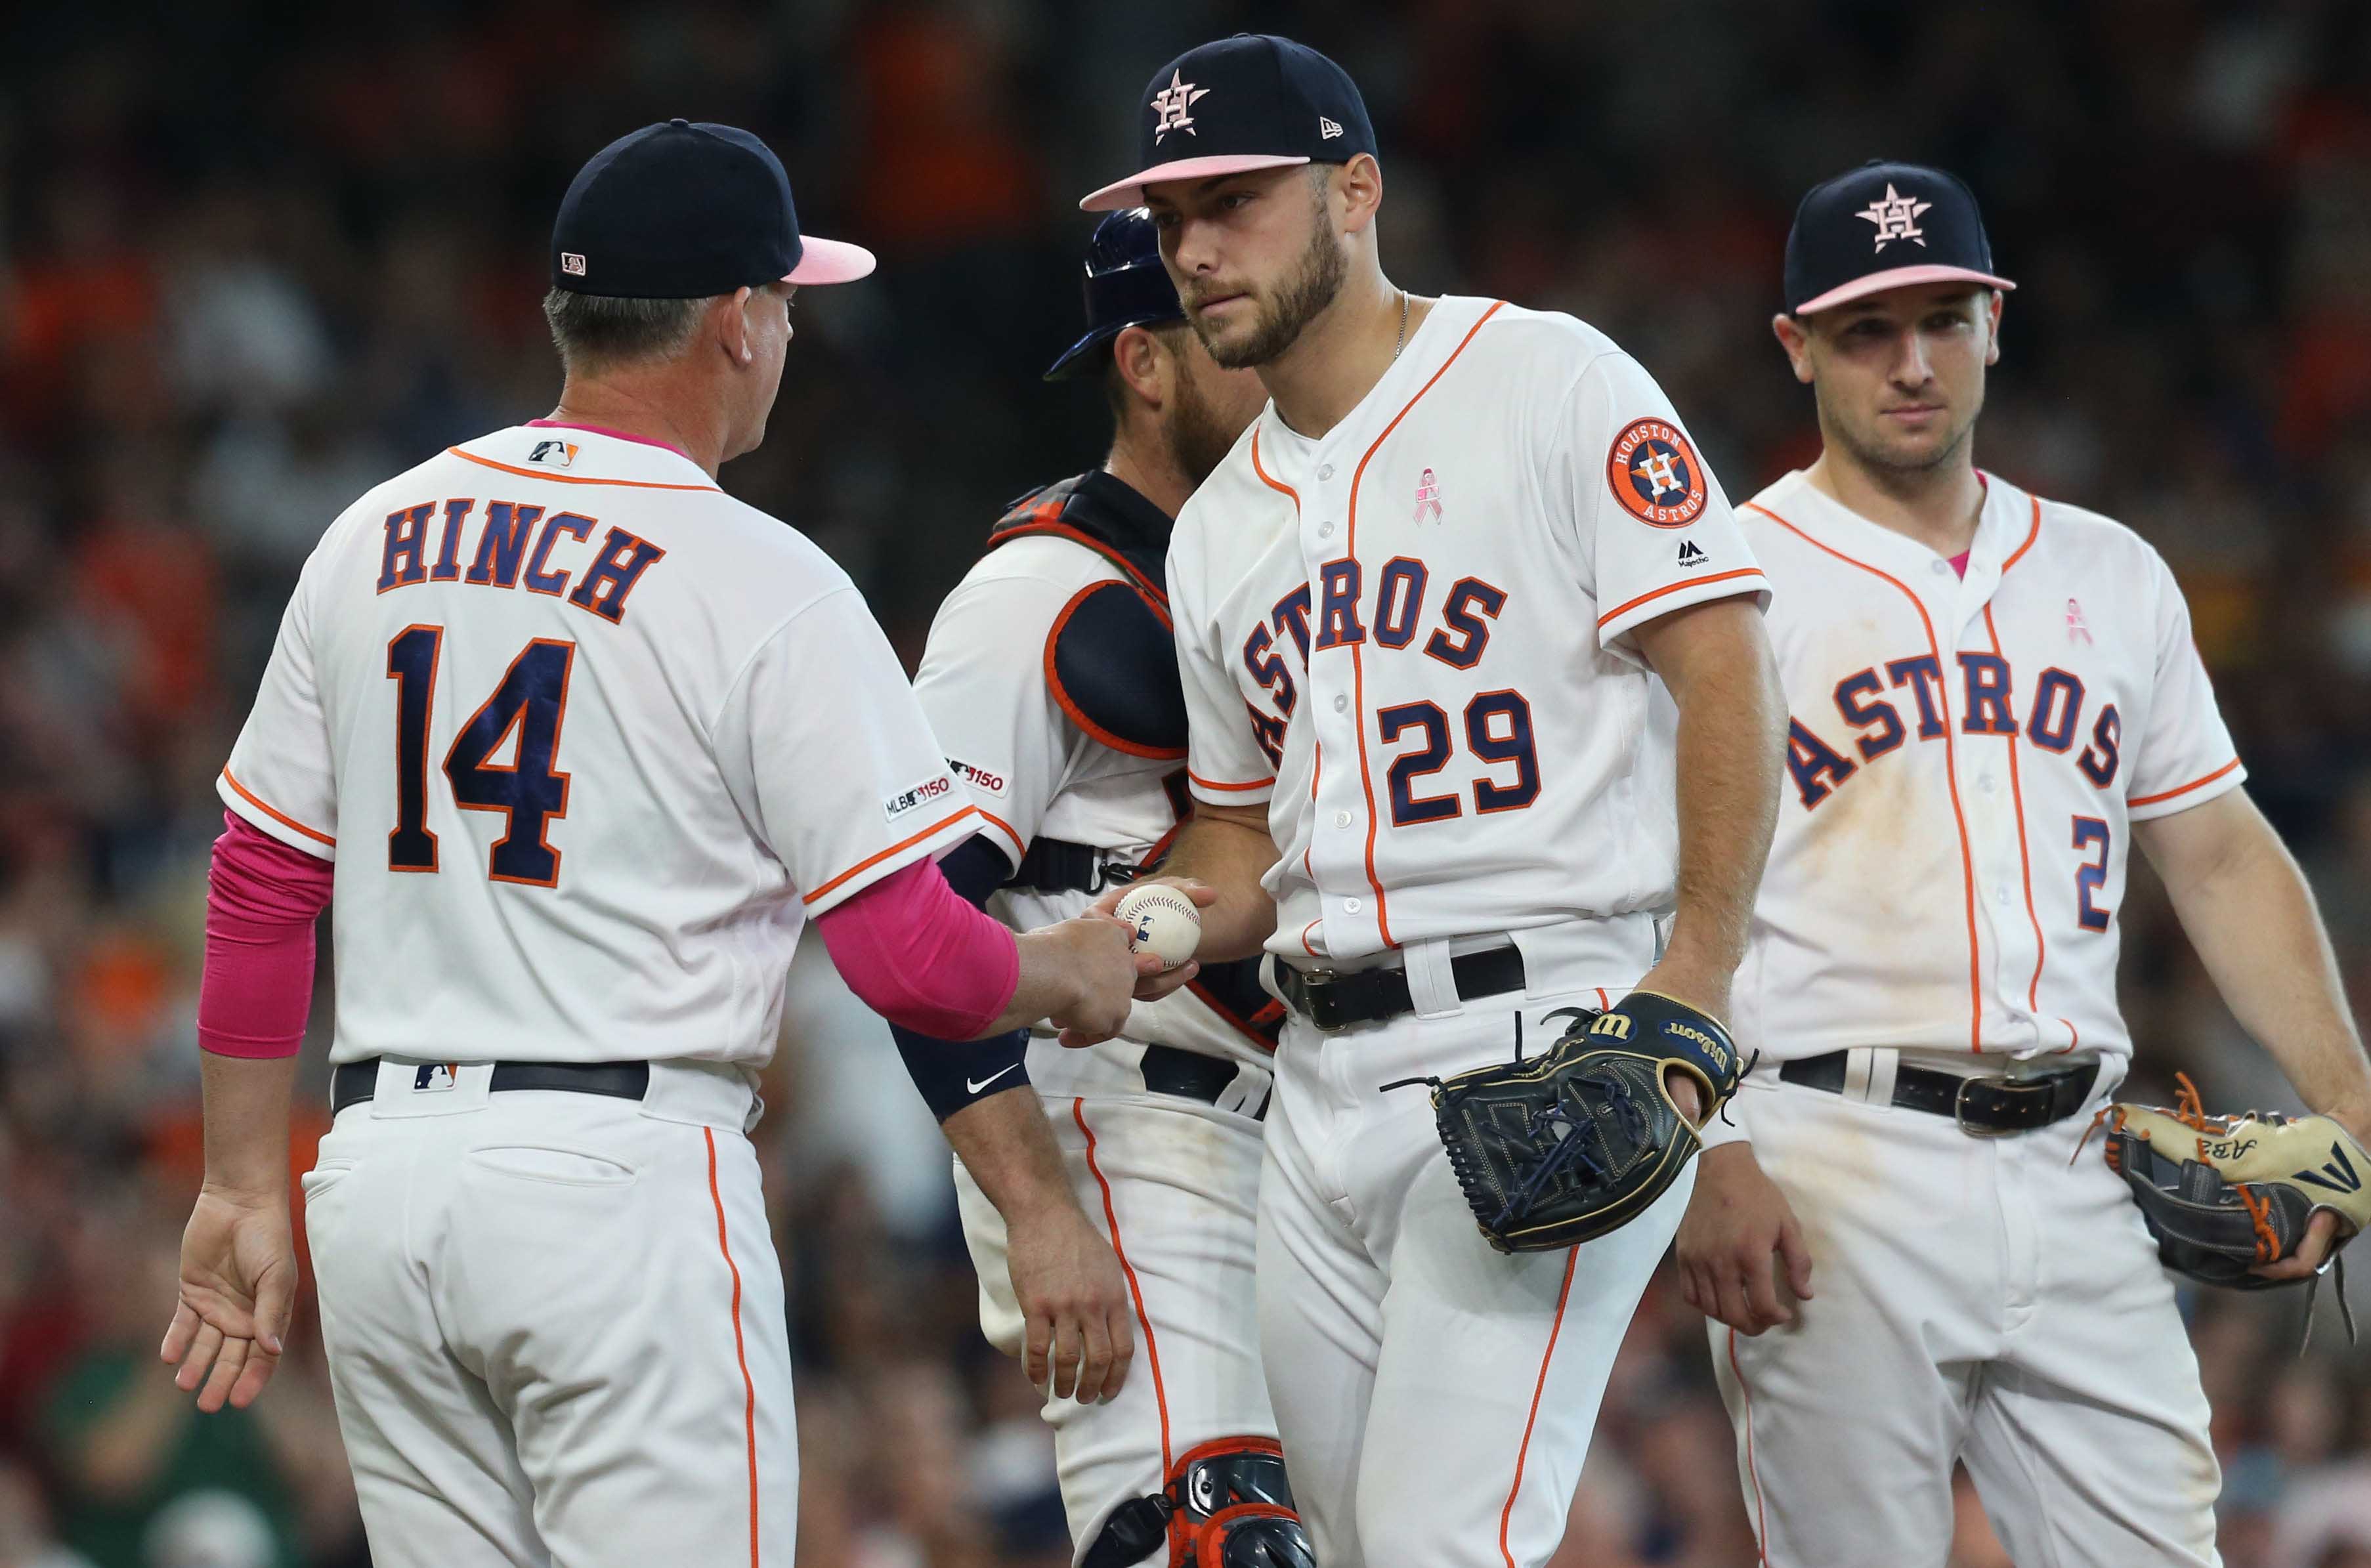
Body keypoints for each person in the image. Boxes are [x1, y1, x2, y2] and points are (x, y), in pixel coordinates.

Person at [158, 119, 1150, 1568]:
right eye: (789, 300)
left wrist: (241, 1181)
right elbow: (915, 960)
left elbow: (259, 880)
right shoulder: (765, 578)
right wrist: (1068, 971)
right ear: (739, 322)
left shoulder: (373, 531)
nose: (793, 327)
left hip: (376, 1182)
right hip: (617, 1185)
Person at [1078, 34, 1786, 1566]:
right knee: (1349, 1543)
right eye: (1170, 213)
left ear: (1356, 188)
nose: (1193, 246)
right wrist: (1141, 925)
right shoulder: (1214, 532)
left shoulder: (1547, 380)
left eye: (1235, 199)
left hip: (1541, 1032)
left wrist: (1700, 985)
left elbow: (1727, 674)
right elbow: (1236, 840)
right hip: (1315, 1084)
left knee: (1437, 1541)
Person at [1676, 159, 2371, 1567]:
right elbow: (1645, 899)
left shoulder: (2111, 572)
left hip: (2082, 1157)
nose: (1912, 362)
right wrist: (1709, 1151)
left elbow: (2221, 854)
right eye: (1869, 329)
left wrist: (2351, 1097)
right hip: (1830, 1158)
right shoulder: (1723, 584)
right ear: (1796, 346)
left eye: (1943, 318)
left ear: (1997, 320)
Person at [890, 206, 1310, 1565]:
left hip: (1295, 1140)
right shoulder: (1036, 595)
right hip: (1123, 1133)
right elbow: (912, 928)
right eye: (1234, 337)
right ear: (1145, 361)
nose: (1277, 363)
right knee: (1202, 1543)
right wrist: (1035, 1211)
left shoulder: (1283, 576)